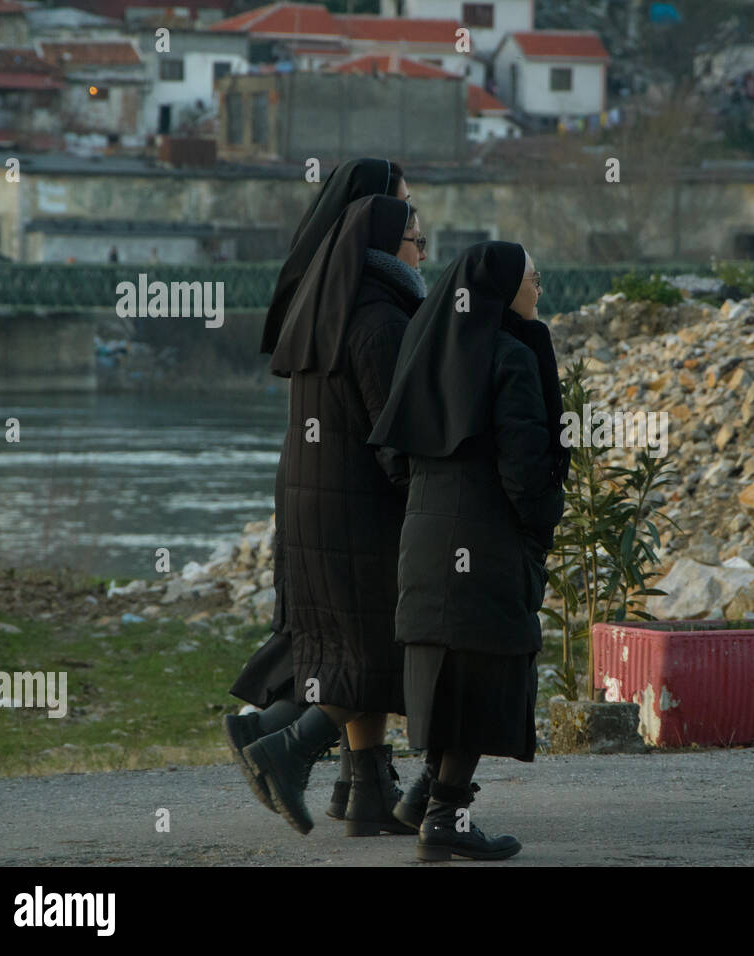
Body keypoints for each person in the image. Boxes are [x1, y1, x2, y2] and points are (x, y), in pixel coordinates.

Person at [224, 159, 411, 823]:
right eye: (408, 218)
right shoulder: (373, 310)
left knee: (348, 642)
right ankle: (287, 740)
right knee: (378, 645)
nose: (420, 234)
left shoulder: (320, 294)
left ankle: (364, 791)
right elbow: (392, 427)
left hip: (311, 490)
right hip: (355, 497)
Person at [368, 241, 568, 861]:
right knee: (482, 668)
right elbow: (526, 467)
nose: (539, 291)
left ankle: (424, 797)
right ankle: (446, 815)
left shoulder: (429, 351)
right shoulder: (509, 356)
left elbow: (392, 452)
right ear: (505, 290)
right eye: (534, 280)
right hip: (487, 537)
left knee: (445, 668)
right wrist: (538, 532)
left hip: (426, 536)